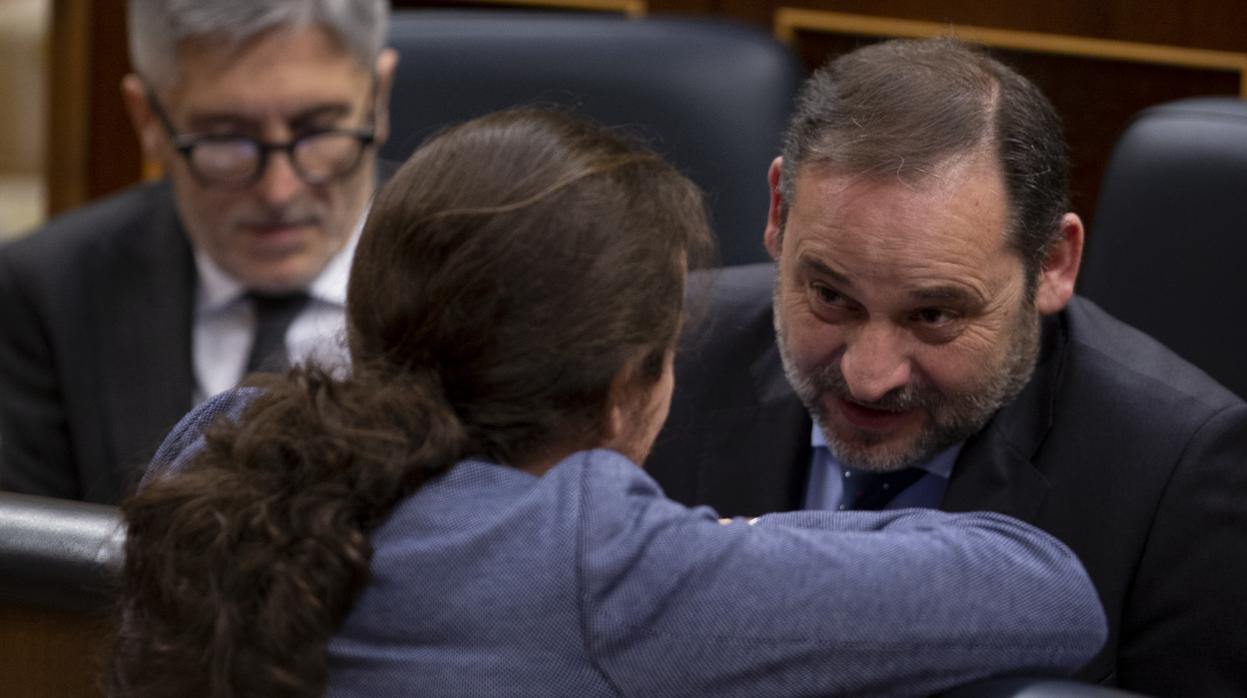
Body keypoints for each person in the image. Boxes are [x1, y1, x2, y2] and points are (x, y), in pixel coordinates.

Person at [112, 108, 1106, 697]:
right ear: (630, 385)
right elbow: (1045, 588)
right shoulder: (596, 558)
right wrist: (731, 537)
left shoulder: (217, 436)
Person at [645, 37, 1247, 696]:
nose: (867, 377)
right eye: (830, 297)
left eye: (933, 315)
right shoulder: (664, 348)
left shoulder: (1175, 472)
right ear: (778, 215)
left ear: (1051, 264)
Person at [0, 0, 397, 503]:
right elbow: (37, 570)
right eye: (225, 139)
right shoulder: (47, 293)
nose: (279, 192)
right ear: (147, 120)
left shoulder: (477, 273)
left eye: (318, 130)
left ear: (378, 98)